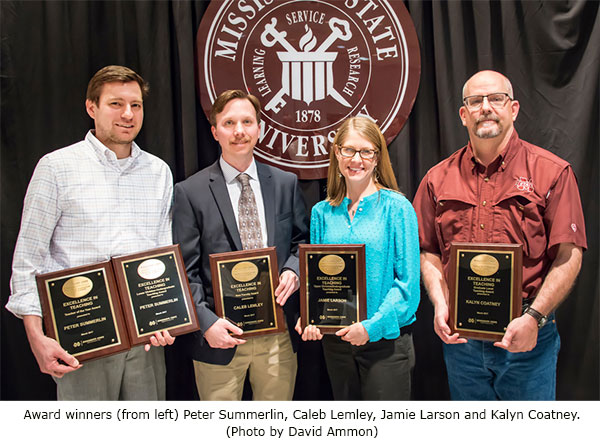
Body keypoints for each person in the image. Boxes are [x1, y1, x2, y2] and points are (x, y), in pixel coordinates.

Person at [413, 70, 587, 400]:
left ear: (514, 108)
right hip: (461, 341)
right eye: (475, 101)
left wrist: (534, 318)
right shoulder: (437, 179)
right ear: (464, 115)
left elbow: (569, 255)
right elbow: (428, 250)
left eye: (496, 99)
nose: (486, 107)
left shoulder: (552, 172)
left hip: (527, 336)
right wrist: (440, 303)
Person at [7, 65, 175, 400]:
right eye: (116, 103)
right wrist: (36, 336)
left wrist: (166, 314)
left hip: (146, 342)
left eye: (136, 105)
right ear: (91, 107)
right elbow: (27, 259)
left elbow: (161, 253)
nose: (128, 114)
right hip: (81, 340)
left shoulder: (158, 171)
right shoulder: (56, 168)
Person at [172, 89, 309, 400]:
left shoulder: (285, 183)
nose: (239, 131)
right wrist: (206, 324)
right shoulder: (190, 192)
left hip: (277, 335)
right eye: (229, 123)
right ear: (214, 131)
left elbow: (302, 241)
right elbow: (183, 270)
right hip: (220, 336)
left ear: (259, 129)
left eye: (247, 122)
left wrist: (293, 270)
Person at [297, 116, 420, 400]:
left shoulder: (397, 208)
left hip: (386, 342)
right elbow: (316, 281)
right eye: (349, 150)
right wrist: (311, 317)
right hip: (336, 343)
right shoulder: (321, 213)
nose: (357, 159)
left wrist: (371, 327)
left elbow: (408, 286)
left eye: (366, 151)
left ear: (377, 157)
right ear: (337, 153)